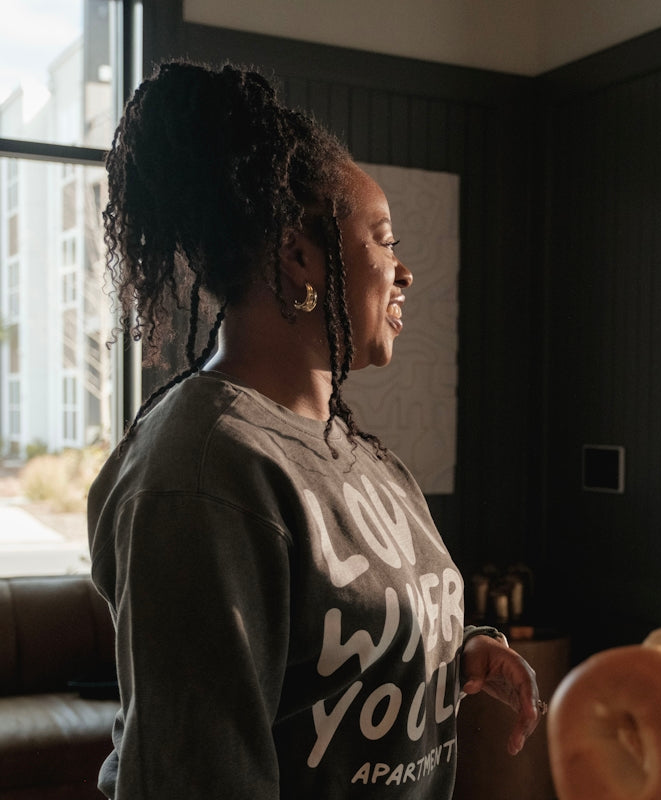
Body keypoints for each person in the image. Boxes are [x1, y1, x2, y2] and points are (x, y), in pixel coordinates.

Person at [88, 61, 542, 799]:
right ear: (299, 254)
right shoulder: (204, 472)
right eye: (383, 239)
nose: (404, 273)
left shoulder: (355, 452)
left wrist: (457, 653)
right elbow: (196, 775)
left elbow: (325, 653)